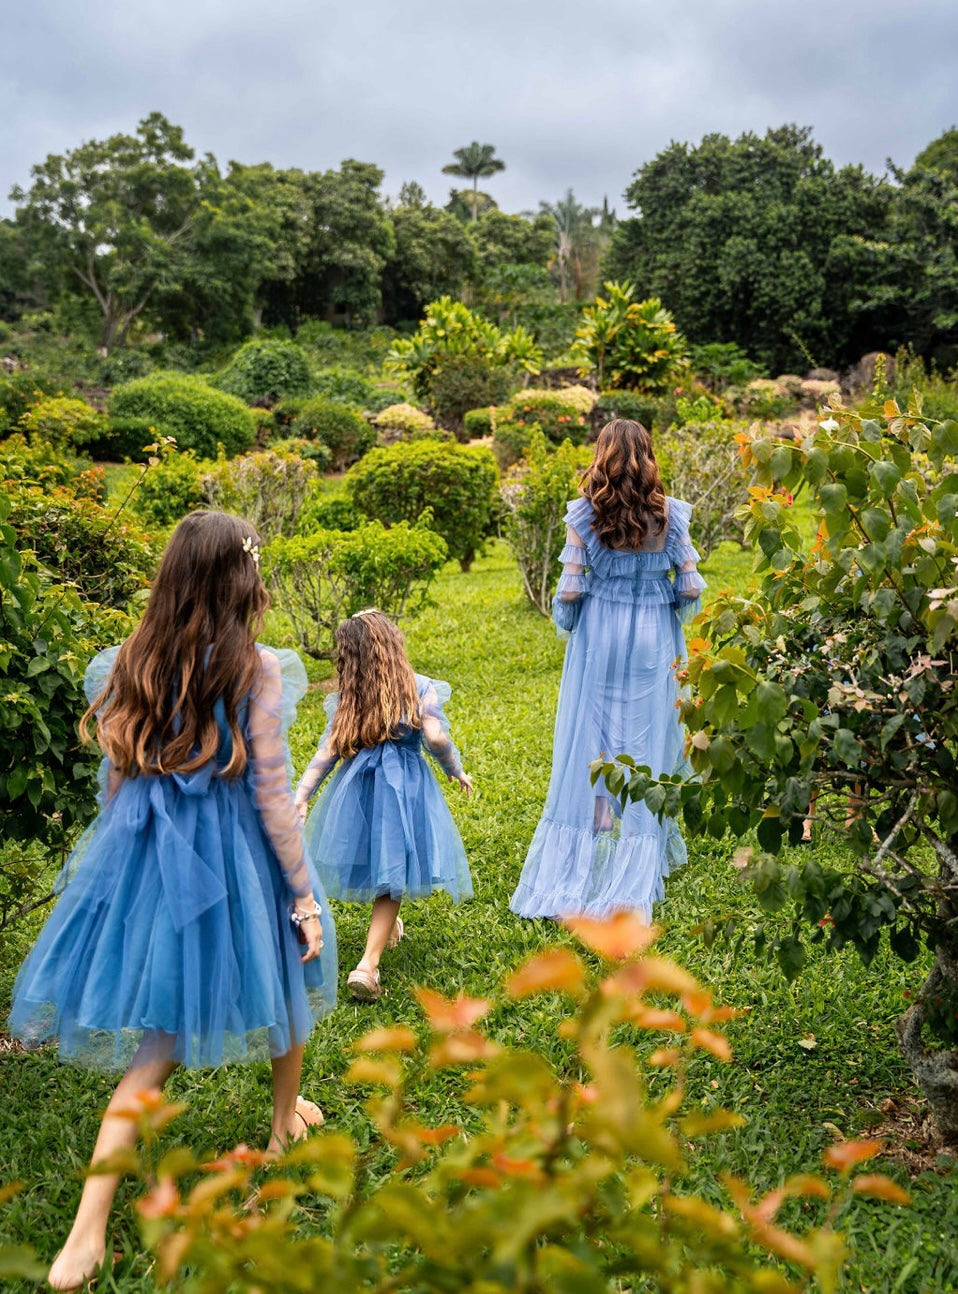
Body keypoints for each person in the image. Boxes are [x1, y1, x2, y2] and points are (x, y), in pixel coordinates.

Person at [8, 511, 337, 1292]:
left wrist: (119, 866)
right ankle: (279, 1123)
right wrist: (303, 897)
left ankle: (88, 1231)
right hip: (241, 858)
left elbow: (117, 780)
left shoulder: (131, 661)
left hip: (153, 858)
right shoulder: (255, 668)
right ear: (239, 580)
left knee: (156, 1049)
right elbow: (271, 793)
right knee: (287, 971)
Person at [509, 419, 706, 922]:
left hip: (600, 634)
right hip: (652, 639)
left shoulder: (585, 515)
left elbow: (571, 590)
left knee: (591, 740)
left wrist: (569, 622)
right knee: (646, 744)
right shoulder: (672, 516)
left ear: (602, 456)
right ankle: (634, 867)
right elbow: (690, 589)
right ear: (648, 457)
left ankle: (586, 856)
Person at [295, 610, 473, 1003]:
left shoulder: (351, 696)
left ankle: (389, 927)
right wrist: (454, 769)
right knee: (393, 874)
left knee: (380, 859)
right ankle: (367, 966)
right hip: (403, 788)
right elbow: (436, 737)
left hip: (358, 788)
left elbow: (327, 752)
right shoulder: (418, 686)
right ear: (394, 645)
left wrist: (302, 795)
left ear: (350, 660)